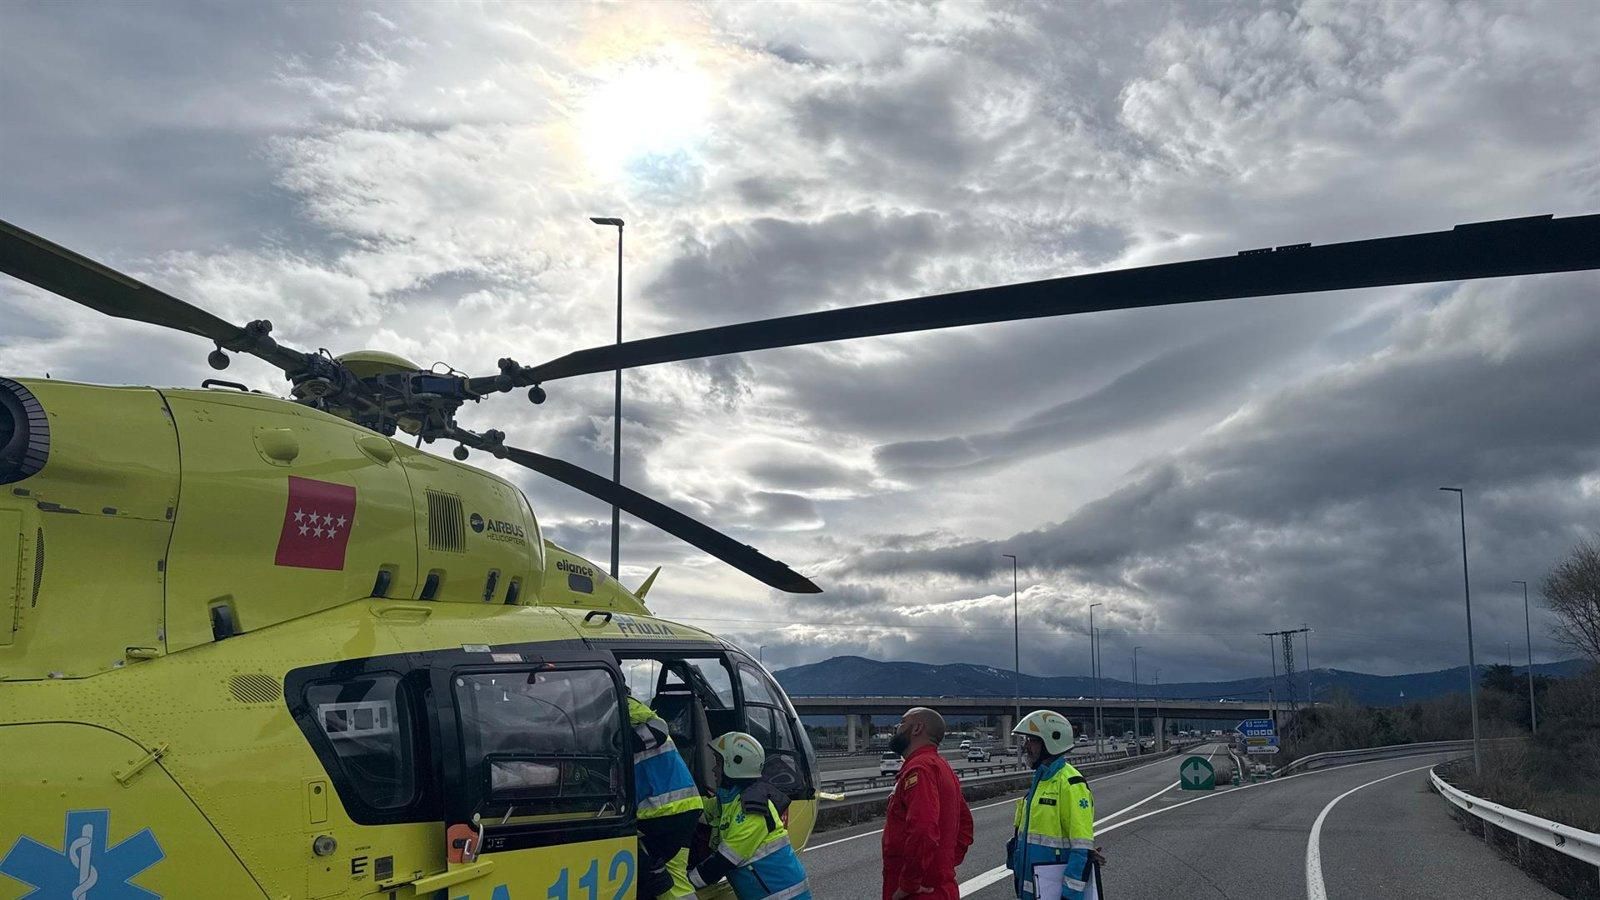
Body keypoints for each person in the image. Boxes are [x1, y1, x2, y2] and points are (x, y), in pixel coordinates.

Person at [689, 731, 812, 900]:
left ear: (733, 765)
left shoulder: (753, 809)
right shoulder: (730, 801)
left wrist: (685, 882)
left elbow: (724, 860)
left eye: (718, 763)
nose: (713, 769)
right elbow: (696, 808)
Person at [882, 707, 974, 900]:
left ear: (917, 728)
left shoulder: (919, 769)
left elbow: (923, 829)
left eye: (902, 722)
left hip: (918, 893)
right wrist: (942, 865)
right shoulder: (941, 766)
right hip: (940, 887)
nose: (896, 728)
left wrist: (909, 884)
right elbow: (965, 825)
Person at [1006, 711, 1098, 900]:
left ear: (1051, 742)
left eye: (1032, 740)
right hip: (1032, 891)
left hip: (1055, 893)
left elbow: (1081, 848)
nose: (1026, 746)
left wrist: (1070, 896)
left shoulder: (1071, 784)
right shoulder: (1041, 781)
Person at [629, 693, 704, 899]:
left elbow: (658, 726)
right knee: (672, 879)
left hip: (665, 810)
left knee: (658, 876)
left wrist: (618, 743)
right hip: (675, 809)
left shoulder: (623, 705)